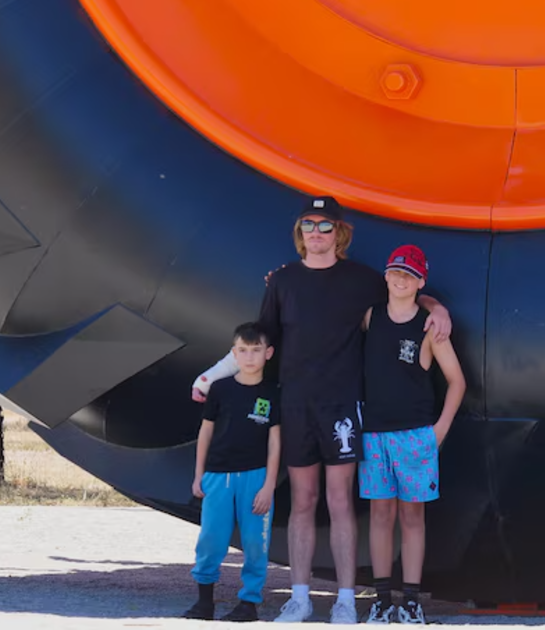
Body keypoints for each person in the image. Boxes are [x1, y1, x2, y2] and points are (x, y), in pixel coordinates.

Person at [192, 197, 451, 624]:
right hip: (295, 405)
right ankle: (300, 598)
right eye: (308, 224)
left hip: (344, 407)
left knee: (339, 501)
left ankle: (346, 600)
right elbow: (260, 343)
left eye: (325, 225)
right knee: (303, 501)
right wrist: (212, 375)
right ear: (300, 233)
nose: (316, 232)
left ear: (339, 233)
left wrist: (437, 308)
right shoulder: (282, 282)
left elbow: (405, 291)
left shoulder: (363, 280)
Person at [359, 245, 465, 625]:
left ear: (420, 281)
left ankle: (412, 601)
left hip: (415, 435)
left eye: (409, 273)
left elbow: (457, 381)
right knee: (380, 515)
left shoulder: (429, 326)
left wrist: (440, 429)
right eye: (395, 271)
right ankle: (383, 599)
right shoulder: (371, 317)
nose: (400, 278)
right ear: (386, 275)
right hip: (374, 434)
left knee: (412, 517)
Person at [183, 322, 282, 622]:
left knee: (255, 542)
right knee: (211, 537)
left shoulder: (273, 393)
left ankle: (249, 603)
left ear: (269, 353)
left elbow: (276, 443)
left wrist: (268, 486)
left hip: (255, 477)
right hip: (218, 476)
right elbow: (206, 432)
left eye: (256, 350)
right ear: (233, 354)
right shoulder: (221, 389)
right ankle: (204, 602)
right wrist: (199, 474)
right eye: (243, 350)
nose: (250, 357)